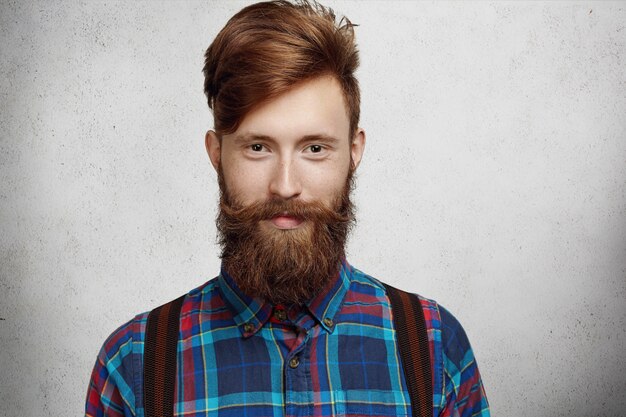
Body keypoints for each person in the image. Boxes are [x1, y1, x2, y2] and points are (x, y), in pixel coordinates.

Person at [85, 1, 490, 416]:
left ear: (354, 153)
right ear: (216, 153)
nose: (285, 185)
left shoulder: (435, 347)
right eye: (258, 147)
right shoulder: (134, 364)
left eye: (314, 148)